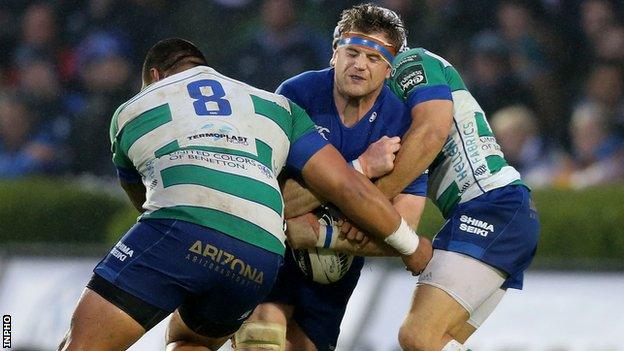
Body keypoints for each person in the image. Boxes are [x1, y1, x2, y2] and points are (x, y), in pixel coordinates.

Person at [57, 38, 432, 351]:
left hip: (182, 226)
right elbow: (346, 187)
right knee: (192, 342)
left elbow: (144, 201)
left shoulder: (133, 108)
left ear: (155, 77)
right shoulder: (275, 106)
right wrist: (410, 245)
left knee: (82, 343)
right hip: (260, 251)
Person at [234, 4, 429, 351]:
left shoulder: (401, 123)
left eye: (372, 58)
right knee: (259, 338)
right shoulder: (295, 96)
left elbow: (403, 228)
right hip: (274, 255)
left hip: (335, 270)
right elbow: (270, 200)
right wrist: (361, 176)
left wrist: (320, 233)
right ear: (334, 53)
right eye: (351, 52)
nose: (359, 65)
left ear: (389, 69)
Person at [373, 46, 540, 349]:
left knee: (417, 336)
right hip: (496, 210)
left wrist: (371, 198)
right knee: (437, 342)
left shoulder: (410, 63)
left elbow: (431, 133)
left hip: (491, 204)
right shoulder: (379, 103)